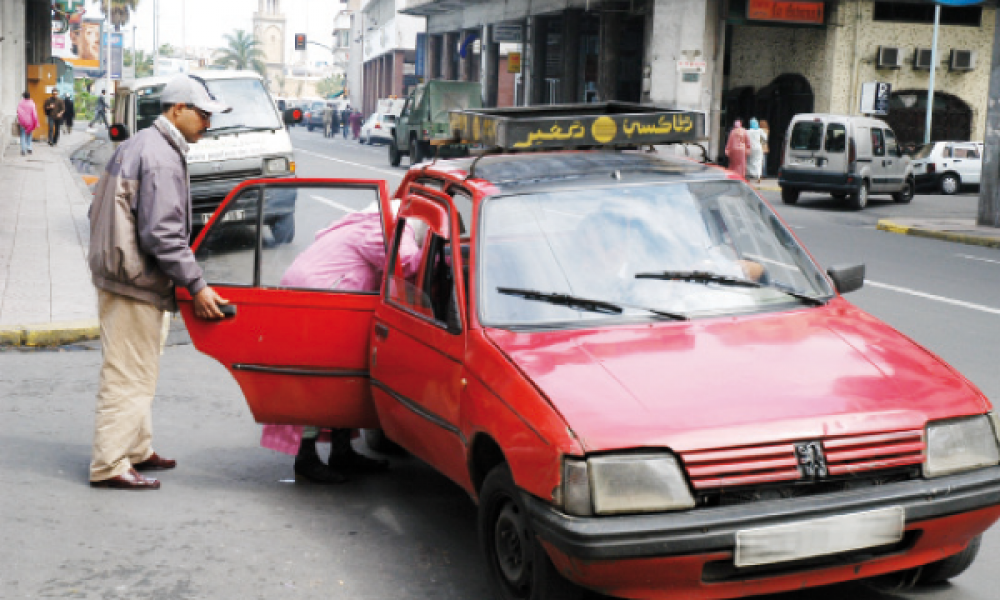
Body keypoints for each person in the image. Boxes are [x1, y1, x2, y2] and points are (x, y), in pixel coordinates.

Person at [87, 74, 232, 490]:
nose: (209, 123)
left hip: (122, 272)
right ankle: (110, 463)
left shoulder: (143, 144)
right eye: (203, 114)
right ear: (178, 110)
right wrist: (197, 285)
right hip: (134, 278)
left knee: (139, 369)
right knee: (128, 374)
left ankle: (135, 450)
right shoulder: (162, 157)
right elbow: (163, 234)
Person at [260, 201, 423, 483]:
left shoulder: (364, 222)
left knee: (340, 379)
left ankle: (342, 451)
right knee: (319, 382)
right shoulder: (387, 228)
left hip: (316, 300)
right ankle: (306, 457)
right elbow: (405, 263)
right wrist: (443, 255)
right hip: (318, 304)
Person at [745, 118, 768, 184]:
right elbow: (765, 139)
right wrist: (761, 143)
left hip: (750, 148)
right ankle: (758, 177)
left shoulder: (748, 131)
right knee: (758, 162)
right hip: (758, 148)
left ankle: (748, 177)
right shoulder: (760, 130)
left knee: (749, 162)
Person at [16, 91, 39, 156]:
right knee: (29, 135)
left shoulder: (20, 103)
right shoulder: (32, 103)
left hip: (22, 122)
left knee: (22, 136)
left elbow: (18, 111)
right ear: (29, 96)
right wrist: (36, 122)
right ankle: (29, 148)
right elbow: (34, 114)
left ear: (23, 96)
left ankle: (23, 150)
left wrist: (20, 120)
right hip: (30, 122)